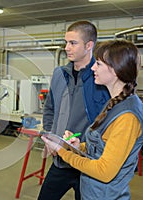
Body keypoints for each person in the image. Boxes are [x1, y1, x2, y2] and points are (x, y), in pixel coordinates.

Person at [41, 39, 143, 199]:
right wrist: (78, 147)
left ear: (115, 70)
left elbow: (104, 171)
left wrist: (62, 152)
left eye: (99, 64)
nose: (93, 67)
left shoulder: (127, 117)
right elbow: (103, 146)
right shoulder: (115, 102)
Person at [37, 21, 110, 200]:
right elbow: (49, 109)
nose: (66, 48)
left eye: (73, 43)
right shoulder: (59, 74)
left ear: (89, 45)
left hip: (88, 164)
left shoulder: (101, 77)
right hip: (61, 160)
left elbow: (108, 122)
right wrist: (49, 137)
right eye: (66, 42)